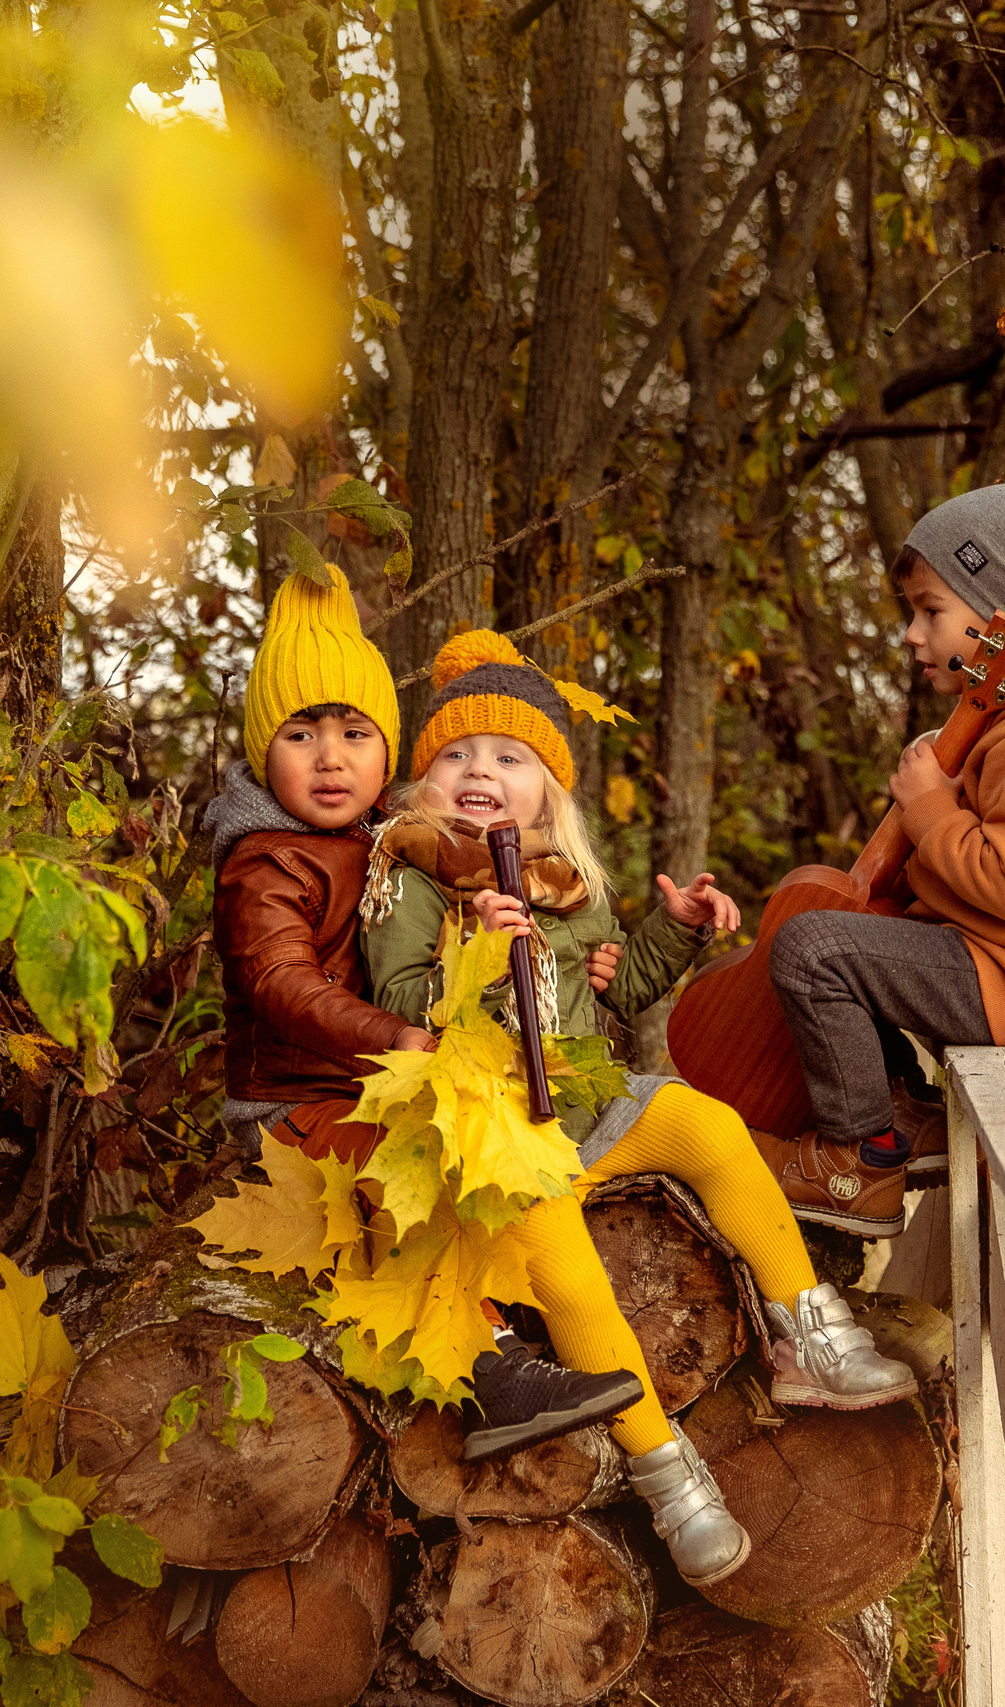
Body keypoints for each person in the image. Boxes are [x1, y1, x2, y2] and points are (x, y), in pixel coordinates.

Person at [360, 629, 916, 1588]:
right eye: (454, 755)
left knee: (711, 1126)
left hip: (586, 1099)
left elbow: (616, 992)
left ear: (548, 791)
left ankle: (810, 1330)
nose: (479, 771)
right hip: (494, 1128)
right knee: (572, 1275)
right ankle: (668, 1471)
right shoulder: (409, 878)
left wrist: (678, 928)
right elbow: (399, 994)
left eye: (508, 757)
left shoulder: (561, 883)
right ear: (422, 782)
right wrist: (476, 953)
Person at [207, 566, 644, 1462]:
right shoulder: (263, 861)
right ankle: (491, 1367)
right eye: (302, 734)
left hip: (375, 1075)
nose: (332, 758)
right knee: (417, 1180)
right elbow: (280, 983)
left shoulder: (381, 842)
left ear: (385, 750)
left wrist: (583, 953)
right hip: (298, 1105)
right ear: (264, 753)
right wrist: (397, 1034)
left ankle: (519, 1311)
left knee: (461, 1147)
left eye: (355, 733)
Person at [756, 481, 1005, 1238]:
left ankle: (863, 1159)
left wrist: (929, 808)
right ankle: (906, 1116)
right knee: (840, 934)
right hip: (1004, 964)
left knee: (814, 950)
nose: (912, 633)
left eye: (931, 610)